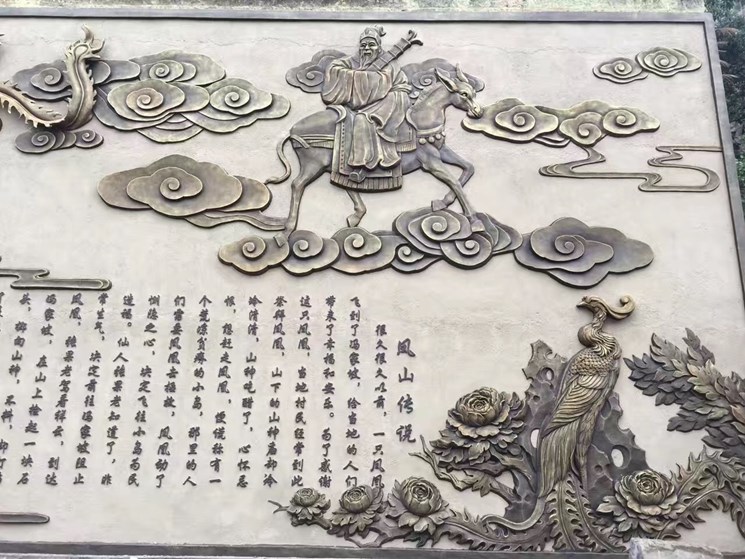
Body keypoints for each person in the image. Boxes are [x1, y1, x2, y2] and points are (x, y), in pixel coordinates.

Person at [321, 26, 413, 181]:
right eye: (363, 45)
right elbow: (334, 68)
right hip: (375, 100)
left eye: (371, 45)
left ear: (379, 47)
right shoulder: (354, 61)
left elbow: (380, 84)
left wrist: (357, 78)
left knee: (362, 118)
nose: (367, 48)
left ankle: (363, 165)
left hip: (393, 97)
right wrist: (356, 75)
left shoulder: (390, 63)